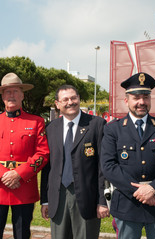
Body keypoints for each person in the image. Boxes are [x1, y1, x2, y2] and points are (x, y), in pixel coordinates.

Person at [100, 72, 155, 239]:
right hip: (127, 205)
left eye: (145, 97)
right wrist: (139, 192)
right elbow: (109, 166)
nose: (141, 102)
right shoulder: (113, 129)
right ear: (126, 101)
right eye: (136, 98)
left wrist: (153, 189)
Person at [0, 72, 50, 239]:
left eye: (15, 91)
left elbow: (42, 153)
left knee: (22, 234)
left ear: (22, 94)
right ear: (2, 96)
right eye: (7, 91)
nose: (11, 95)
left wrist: (19, 174)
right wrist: (2, 175)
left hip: (23, 186)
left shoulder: (36, 122)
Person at [40, 85, 109, 239]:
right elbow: (47, 167)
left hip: (87, 198)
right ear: (57, 104)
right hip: (58, 197)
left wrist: (102, 201)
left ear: (79, 99)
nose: (70, 102)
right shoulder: (51, 128)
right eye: (65, 99)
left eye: (73, 98)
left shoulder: (97, 124)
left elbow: (102, 167)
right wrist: (45, 200)